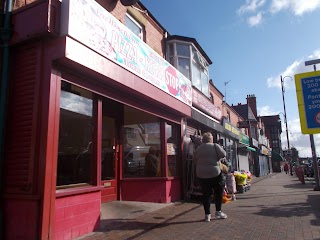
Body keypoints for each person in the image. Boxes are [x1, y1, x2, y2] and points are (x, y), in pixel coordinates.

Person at [194, 132, 227, 221]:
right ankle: (218, 212)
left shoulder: (198, 148)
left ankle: (207, 215)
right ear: (211, 139)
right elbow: (223, 154)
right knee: (218, 193)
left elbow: (195, 158)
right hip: (214, 173)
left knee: (206, 194)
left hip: (201, 174)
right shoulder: (215, 146)